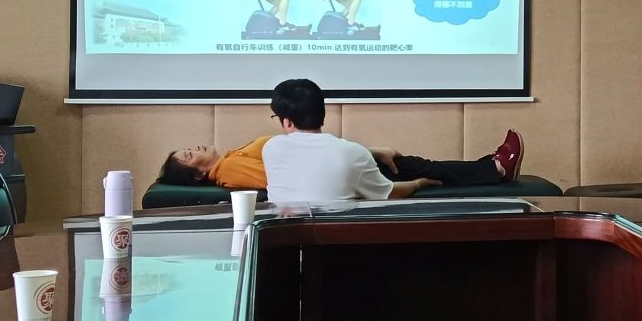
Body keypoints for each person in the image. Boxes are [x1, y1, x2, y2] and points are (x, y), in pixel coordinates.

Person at [157, 80, 525, 201]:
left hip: (342, 163)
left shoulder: (258, 150)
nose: (195, 147)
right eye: (189, 155)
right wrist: (419, 184)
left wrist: (370, 152)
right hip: (344, 178)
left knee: (411, 162)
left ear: (287, 121)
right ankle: (494, 169)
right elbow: (284, 176)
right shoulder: (231, 170)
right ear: (197, 175)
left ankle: (487, 166)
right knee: (419, 168)